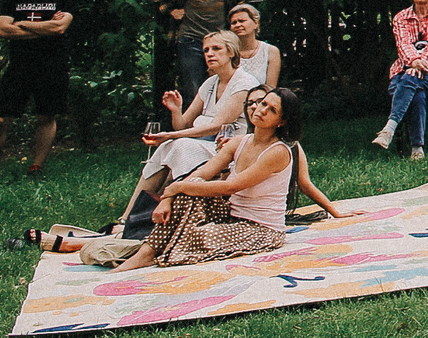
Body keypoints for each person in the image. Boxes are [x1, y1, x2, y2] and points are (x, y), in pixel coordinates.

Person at [108, 88, 301, 272]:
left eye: (272, 110)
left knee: (196, 234)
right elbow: (202, 173)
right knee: (188, 194)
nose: (262, 110)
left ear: (281, 122)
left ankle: (156, 251)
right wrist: (169, 197)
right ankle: (146, 253)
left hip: (262, 229)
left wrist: (177, 187)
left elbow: (230, 187)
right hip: (232, 216)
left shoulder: (277, 151)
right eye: (263, 103)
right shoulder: (239, 142)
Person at [0, 0, 73, 177]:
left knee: (46, 115)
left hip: (52, 64)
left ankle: (36, 166)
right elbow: (3, 30)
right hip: (19, 65)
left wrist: (22, 23)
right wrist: (45, 28)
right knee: (0, 118)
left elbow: (60, 28)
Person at [370, 0, 428, 159]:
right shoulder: (400, 18)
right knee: (416, 91)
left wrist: (419, 64)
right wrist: (414, 61)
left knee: (410, 78)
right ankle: (417, 149)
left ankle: (390, 128)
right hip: (405, 70)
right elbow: (403, 44)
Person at [225, 3, 280, 94]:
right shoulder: (227, 52)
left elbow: (270, 89)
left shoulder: (271, 51)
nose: (238, 25)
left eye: (242, 21)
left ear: (256, 23)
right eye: (234, 23)